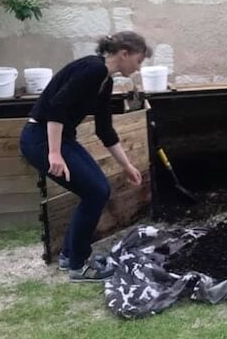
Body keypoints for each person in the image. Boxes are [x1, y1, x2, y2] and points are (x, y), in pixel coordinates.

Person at [19, 31, 150, 282]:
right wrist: (54, 153)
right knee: (95, 191)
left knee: (97, 189)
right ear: (124, 53)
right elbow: (56, 106)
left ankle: (71, 256)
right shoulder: (92, 69)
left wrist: (127, 166)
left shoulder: (105, 81)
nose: (138, 66)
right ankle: (79, 266)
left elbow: (104, 130)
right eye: (138, 60)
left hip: (59, 138)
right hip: (40, 138)